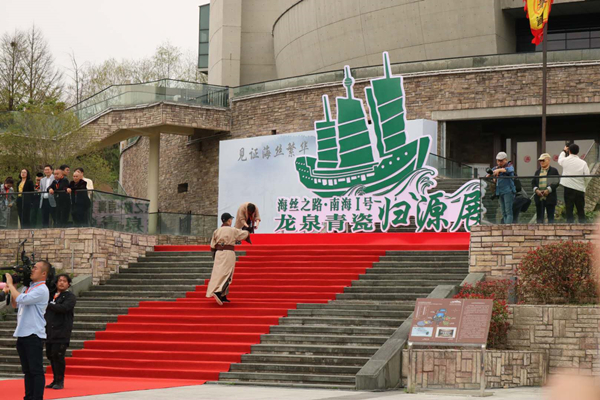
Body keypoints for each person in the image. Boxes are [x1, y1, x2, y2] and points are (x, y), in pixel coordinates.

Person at [2, 261, 52, 400]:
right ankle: (29, 396)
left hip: (34, 334)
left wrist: (10, 284)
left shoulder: (42, 289)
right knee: (27, 371)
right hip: (23, 333)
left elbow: (21, 298)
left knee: (36, 370)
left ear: (43, 273)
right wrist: (14, 286)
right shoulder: (28, 287)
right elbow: (15, 303)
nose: (32, 270)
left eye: (35, 268)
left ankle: (37, 397)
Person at [206, 212, 250, 305]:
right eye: (230, 219)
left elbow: (212, 245)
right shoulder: (232, 230)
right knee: (227, 274)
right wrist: (248, 230)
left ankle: (223, 295)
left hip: (218, 253)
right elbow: (243, 234)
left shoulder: (217, 231)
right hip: (228, 252)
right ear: (229, 220)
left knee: (218, 274)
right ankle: (218, 292)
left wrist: (214, 256)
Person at [45, 273, 76, 390]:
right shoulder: (51, 295)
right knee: (50, 355)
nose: (61, 283)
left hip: (62, 331)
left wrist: (48, 305)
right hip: (49, 331)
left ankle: (60, 380)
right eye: (59, 280)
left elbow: (64, 308)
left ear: (68, 284)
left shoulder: (70, 297)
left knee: (58, 355)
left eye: (64, 281)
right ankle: (54, 379)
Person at [558, 143, 590, 223]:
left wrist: (564, 151)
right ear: (578, 152)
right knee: (580, 209)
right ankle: (583, 226)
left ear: (569, 151)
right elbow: (587, 176)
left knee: (569, 209)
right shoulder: (583, 163)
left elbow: (560, 159)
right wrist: (584, 185)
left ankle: (570, 226)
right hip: (580, 188)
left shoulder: (565, 160)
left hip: (568, 187)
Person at [488, 152, 516, 224]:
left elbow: (509, 170)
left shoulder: (509, 165)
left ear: (505, 160)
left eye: (501, 161)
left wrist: (499, 170)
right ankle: (505, 225)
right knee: (503, 212)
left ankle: (507, 227)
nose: (499, 162)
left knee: (508, 211)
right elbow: (489, 173)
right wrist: (490, 174)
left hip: (508, 191)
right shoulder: (496, 168)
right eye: (498, 161)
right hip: (499, 192)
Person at [532, 153, 560, 224]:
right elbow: (533, 182)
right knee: (539, 218)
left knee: (551, 218)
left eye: (543, 160)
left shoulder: (553, 171)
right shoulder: (537, 172)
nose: (541, 162)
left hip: (550, 197)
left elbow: (556, 182)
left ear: (548, 160)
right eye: (540, 161)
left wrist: (548, 190)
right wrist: (536, 190)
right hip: (539, 197)